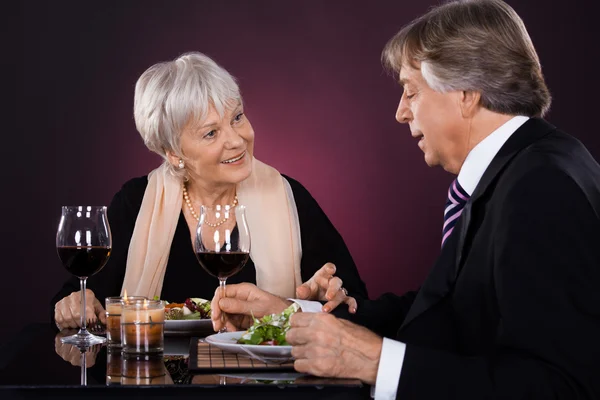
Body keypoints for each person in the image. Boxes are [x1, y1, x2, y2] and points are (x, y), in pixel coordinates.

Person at [210, 1, 600, 398]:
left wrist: (375, 363)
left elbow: (562, 386)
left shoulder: (542, 188)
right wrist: (293, 316)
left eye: (411, 92)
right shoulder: (517, 170)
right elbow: (450, 310)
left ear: (465, 93)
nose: (400, 112)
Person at [52, 52, 367, 329]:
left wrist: (324, 301)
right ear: (174, 153)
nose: (236, 139)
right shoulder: (136, 202)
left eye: (237, 117)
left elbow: (355, 305)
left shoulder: (289, 197)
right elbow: (79, 297)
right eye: (211, 133)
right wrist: (76, 302)